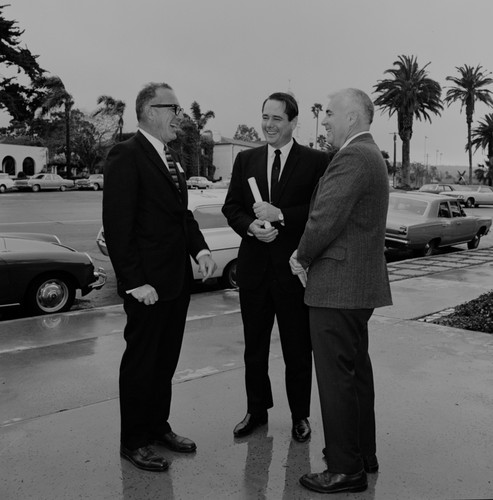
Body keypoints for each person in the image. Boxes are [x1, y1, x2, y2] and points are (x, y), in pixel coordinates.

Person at [103, 82, 216, 472]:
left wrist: (199, 250)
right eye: (174, 108)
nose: (180, 116)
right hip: (147, 287)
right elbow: (118, 226)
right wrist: (135, 282)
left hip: (175, 282)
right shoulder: (126, 155)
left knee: (164, 361)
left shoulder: (170, 158)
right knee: (141, 363)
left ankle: (157, 426)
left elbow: (180, 216)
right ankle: (133, 441)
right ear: (151, 110)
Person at [290, 88, 392, 494]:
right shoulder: (371, 155)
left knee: (335, 380)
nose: (326, 120)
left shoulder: (352, 156)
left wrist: (301, 256)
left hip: (337, 288)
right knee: (354, 376)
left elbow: (323, 219)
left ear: (352, 118)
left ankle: (345, 469)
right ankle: (362, 454)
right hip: (356, 288)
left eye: (330, 113)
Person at [222, 92, 328, 442]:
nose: (268, 124)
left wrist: (280, 215)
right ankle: (256, 411)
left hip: (293, 273)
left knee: (298, 349)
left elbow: (319, 213)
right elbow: (232, 207)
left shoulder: (316, 162)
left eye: (277, 119)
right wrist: (250, 226)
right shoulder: (246, 160)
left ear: (293, 122)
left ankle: (300, 415)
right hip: (254, 270)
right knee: (254, 347)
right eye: (265, 117)